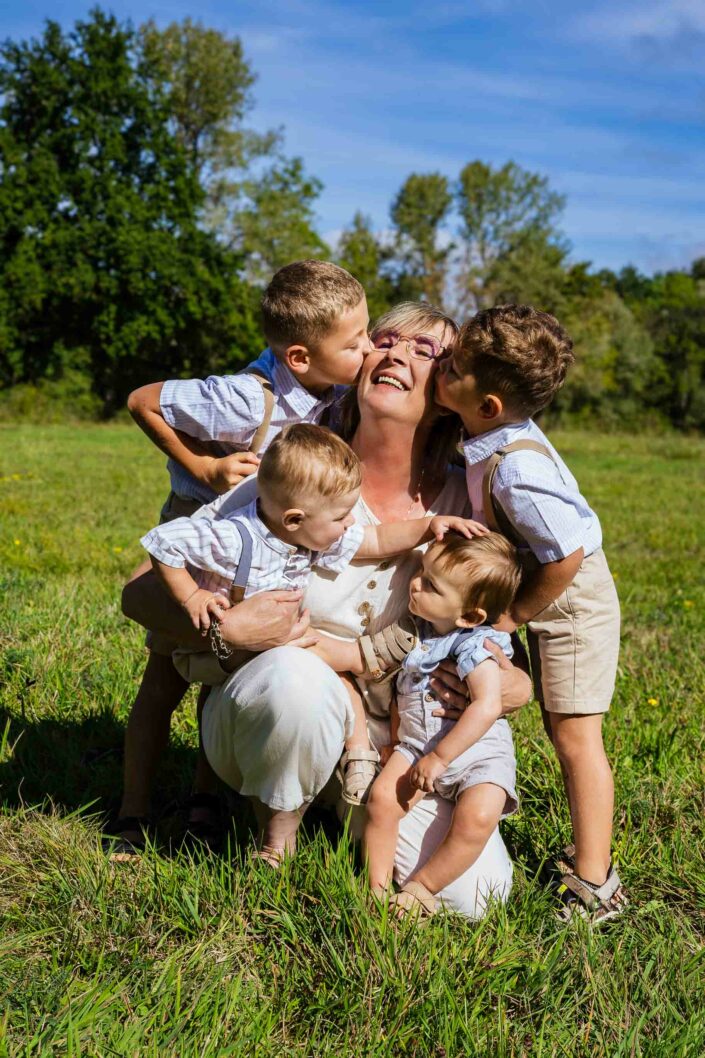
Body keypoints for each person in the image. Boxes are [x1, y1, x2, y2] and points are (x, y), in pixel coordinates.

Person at [121, 301, 532, 913]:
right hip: (271, 710)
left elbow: (508, 658)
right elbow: (137, 594)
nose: (395, 353)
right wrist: (226, 627)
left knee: (479, 898)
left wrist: (503, 687)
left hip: (397, 749)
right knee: (295, 677)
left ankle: (340, 812)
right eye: (385, 339)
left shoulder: (466, 501)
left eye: (425, 352)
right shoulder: (294, 465)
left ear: (450, 390)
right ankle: (273, 829)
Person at [112, 260, 371, 854]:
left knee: (223, 666)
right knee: (165, 674)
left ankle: (204, 796)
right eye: (354, 342)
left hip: (261, 542)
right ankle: (132, 810)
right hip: (200, 539)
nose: (366, 350)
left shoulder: (328, 391)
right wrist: (203, 467)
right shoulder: (240, 397)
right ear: (301, 357)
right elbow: (142, 400)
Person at [140, 422, 484, 809]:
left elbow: (374, 540)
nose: (350, 523)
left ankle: (343, 764)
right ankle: (269, 822)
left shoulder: (309, 531)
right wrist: (193, 597)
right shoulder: (238, 537)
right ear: (294, 519)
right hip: (234, 663)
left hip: (295, 660)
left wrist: (427, 528)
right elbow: (162, 543)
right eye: (342, 518)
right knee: (296, 675)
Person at [435, 303, 627, 923]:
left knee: (576, 737)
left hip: (570, 603)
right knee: (560, 729)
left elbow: (566, 556)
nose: (442, 363)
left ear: (488, 404)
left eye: (455, 365)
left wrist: (511, 618)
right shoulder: (485, 435)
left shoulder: (516, 467)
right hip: (545, 590)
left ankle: (596, 882)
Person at [363, 532, 522, 917]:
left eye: (430, 584)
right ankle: (377, 890)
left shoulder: (475, 646)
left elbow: (486, 706)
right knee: (383, 799)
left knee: (478, 816)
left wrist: (440, 756)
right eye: (420, 571)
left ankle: (422, 887)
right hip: (418, 748)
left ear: (468, 616)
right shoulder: (421, 634)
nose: (414, 583)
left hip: (475, 755)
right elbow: (406, 692)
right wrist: (400, 742)